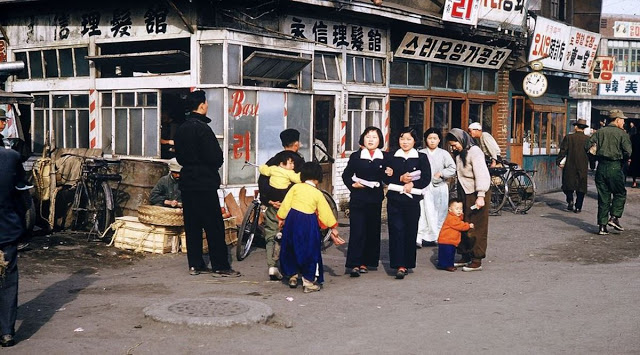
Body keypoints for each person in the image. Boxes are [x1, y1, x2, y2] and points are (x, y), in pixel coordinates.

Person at [174, 90, 240, 277]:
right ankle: (220, 265)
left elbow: (179, 156)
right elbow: (216, 157)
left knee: (192, 224)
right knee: (213, 225)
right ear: (202, 106)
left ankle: (195, 264)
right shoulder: (203, 129)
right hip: (205, 181)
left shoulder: (181, 128)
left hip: (187, 181)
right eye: (206, 103)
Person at [277, 162, 345, 293]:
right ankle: (308, 282)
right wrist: (333, 228)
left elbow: (286, 204)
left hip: (292, 219)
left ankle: (292, 275)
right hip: (308, 221)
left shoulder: (295, 188)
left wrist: (281, 218)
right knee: (310, 250)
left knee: (290, 246)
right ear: (317, 178)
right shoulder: (317, 193)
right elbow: (325, 213)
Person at [384, 127, 431, 279]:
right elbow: (385, 177)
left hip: (412, 200)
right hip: (395, 200)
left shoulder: (421, 157)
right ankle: (399, 265)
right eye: (402, 139)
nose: (405, 142)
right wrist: (399, 179)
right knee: (396, 230)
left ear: (415, 141)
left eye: (409, 139)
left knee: (410, 231)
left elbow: (426, 177)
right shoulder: (391, 156)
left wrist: (413, 185)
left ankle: (408, 262)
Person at [258, 129, 304, 281]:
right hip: (291, 206)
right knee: (292, 235)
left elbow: (263, 180)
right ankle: (291, 270)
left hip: (272, 205)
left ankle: (272, 266)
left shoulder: (274, 160)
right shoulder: (297, 162)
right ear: (296, 144)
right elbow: (301, 184)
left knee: (271, 234)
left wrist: (269, 200)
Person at [341, 126, 387, 277]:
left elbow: (387, 178)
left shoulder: (385, 157)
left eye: (374, 137)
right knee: (357, 230)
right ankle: (354, 264)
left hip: (375, 197)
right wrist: (352, 184)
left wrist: (389, 174)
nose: (371, 140)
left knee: (372, 230)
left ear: (379, 140)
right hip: (359, 197)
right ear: (363, 139)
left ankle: (367, 262)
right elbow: (346, 175)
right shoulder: (356, 156)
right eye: (368, 137)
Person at [446, 128, 491, 272]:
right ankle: (465, 254)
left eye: (455, 144)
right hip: (464, 192)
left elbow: (482, 174)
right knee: (463, 222)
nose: (454, 148)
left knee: (476, 225)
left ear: (462, 140)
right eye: (452, 146)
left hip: (476, 192)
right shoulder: (460, 153)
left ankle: (477, 258)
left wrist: (481, 196)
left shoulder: (475, 152)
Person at [586, 109, 632, 235]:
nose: (623, 123)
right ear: (617, 120)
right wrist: (623, 160)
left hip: (600, 167)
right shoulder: (622, 134)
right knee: (620, 193)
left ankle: (602, 226)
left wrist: (595, 156)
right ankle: (614, 217)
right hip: (614, 166)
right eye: (622, 120)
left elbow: (587, 146)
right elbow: (628, 151)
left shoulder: (600, 132)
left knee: (603, 197)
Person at [0, 144, 27, 347]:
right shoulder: (12, 157)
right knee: (8, 280)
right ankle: (7, 332)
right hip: (6, 230)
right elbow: (23, 198)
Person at [416, 127, 456, 247]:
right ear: (425, 140)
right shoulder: (421, 153)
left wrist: (442, 173)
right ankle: (420, 236)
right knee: (423, 212)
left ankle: (438, 236)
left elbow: (452, 168)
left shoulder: (444, 154)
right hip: (424, 187)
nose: (432, 141)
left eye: (435, 138)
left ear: (439, 140)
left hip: (439, 187)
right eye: (430, 138)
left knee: (440, 212)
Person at [556, 118, 590, 213]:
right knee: (581, 187)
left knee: (568, 184)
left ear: (576, 127)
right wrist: (591, 164)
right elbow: (591, 153)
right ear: (584, 128)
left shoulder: (569, 137)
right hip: (582, 165)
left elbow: (563, 150)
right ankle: (578, 206)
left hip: (570, 164)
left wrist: (559, 161)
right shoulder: (588, 139)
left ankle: (570, 200)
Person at [436, 199, 473, 272]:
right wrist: (468, 226)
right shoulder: (451, 218)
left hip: (448, 240)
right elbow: (460, 225)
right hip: (447, 240)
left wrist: (461, 214)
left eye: (461, 209)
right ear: (450, 209)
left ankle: (442, 264)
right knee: (449, 254)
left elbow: (459, 220)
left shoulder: (454, 217)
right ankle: (448, 265)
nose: (459, 211)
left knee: (444, 254)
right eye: (457, 209)